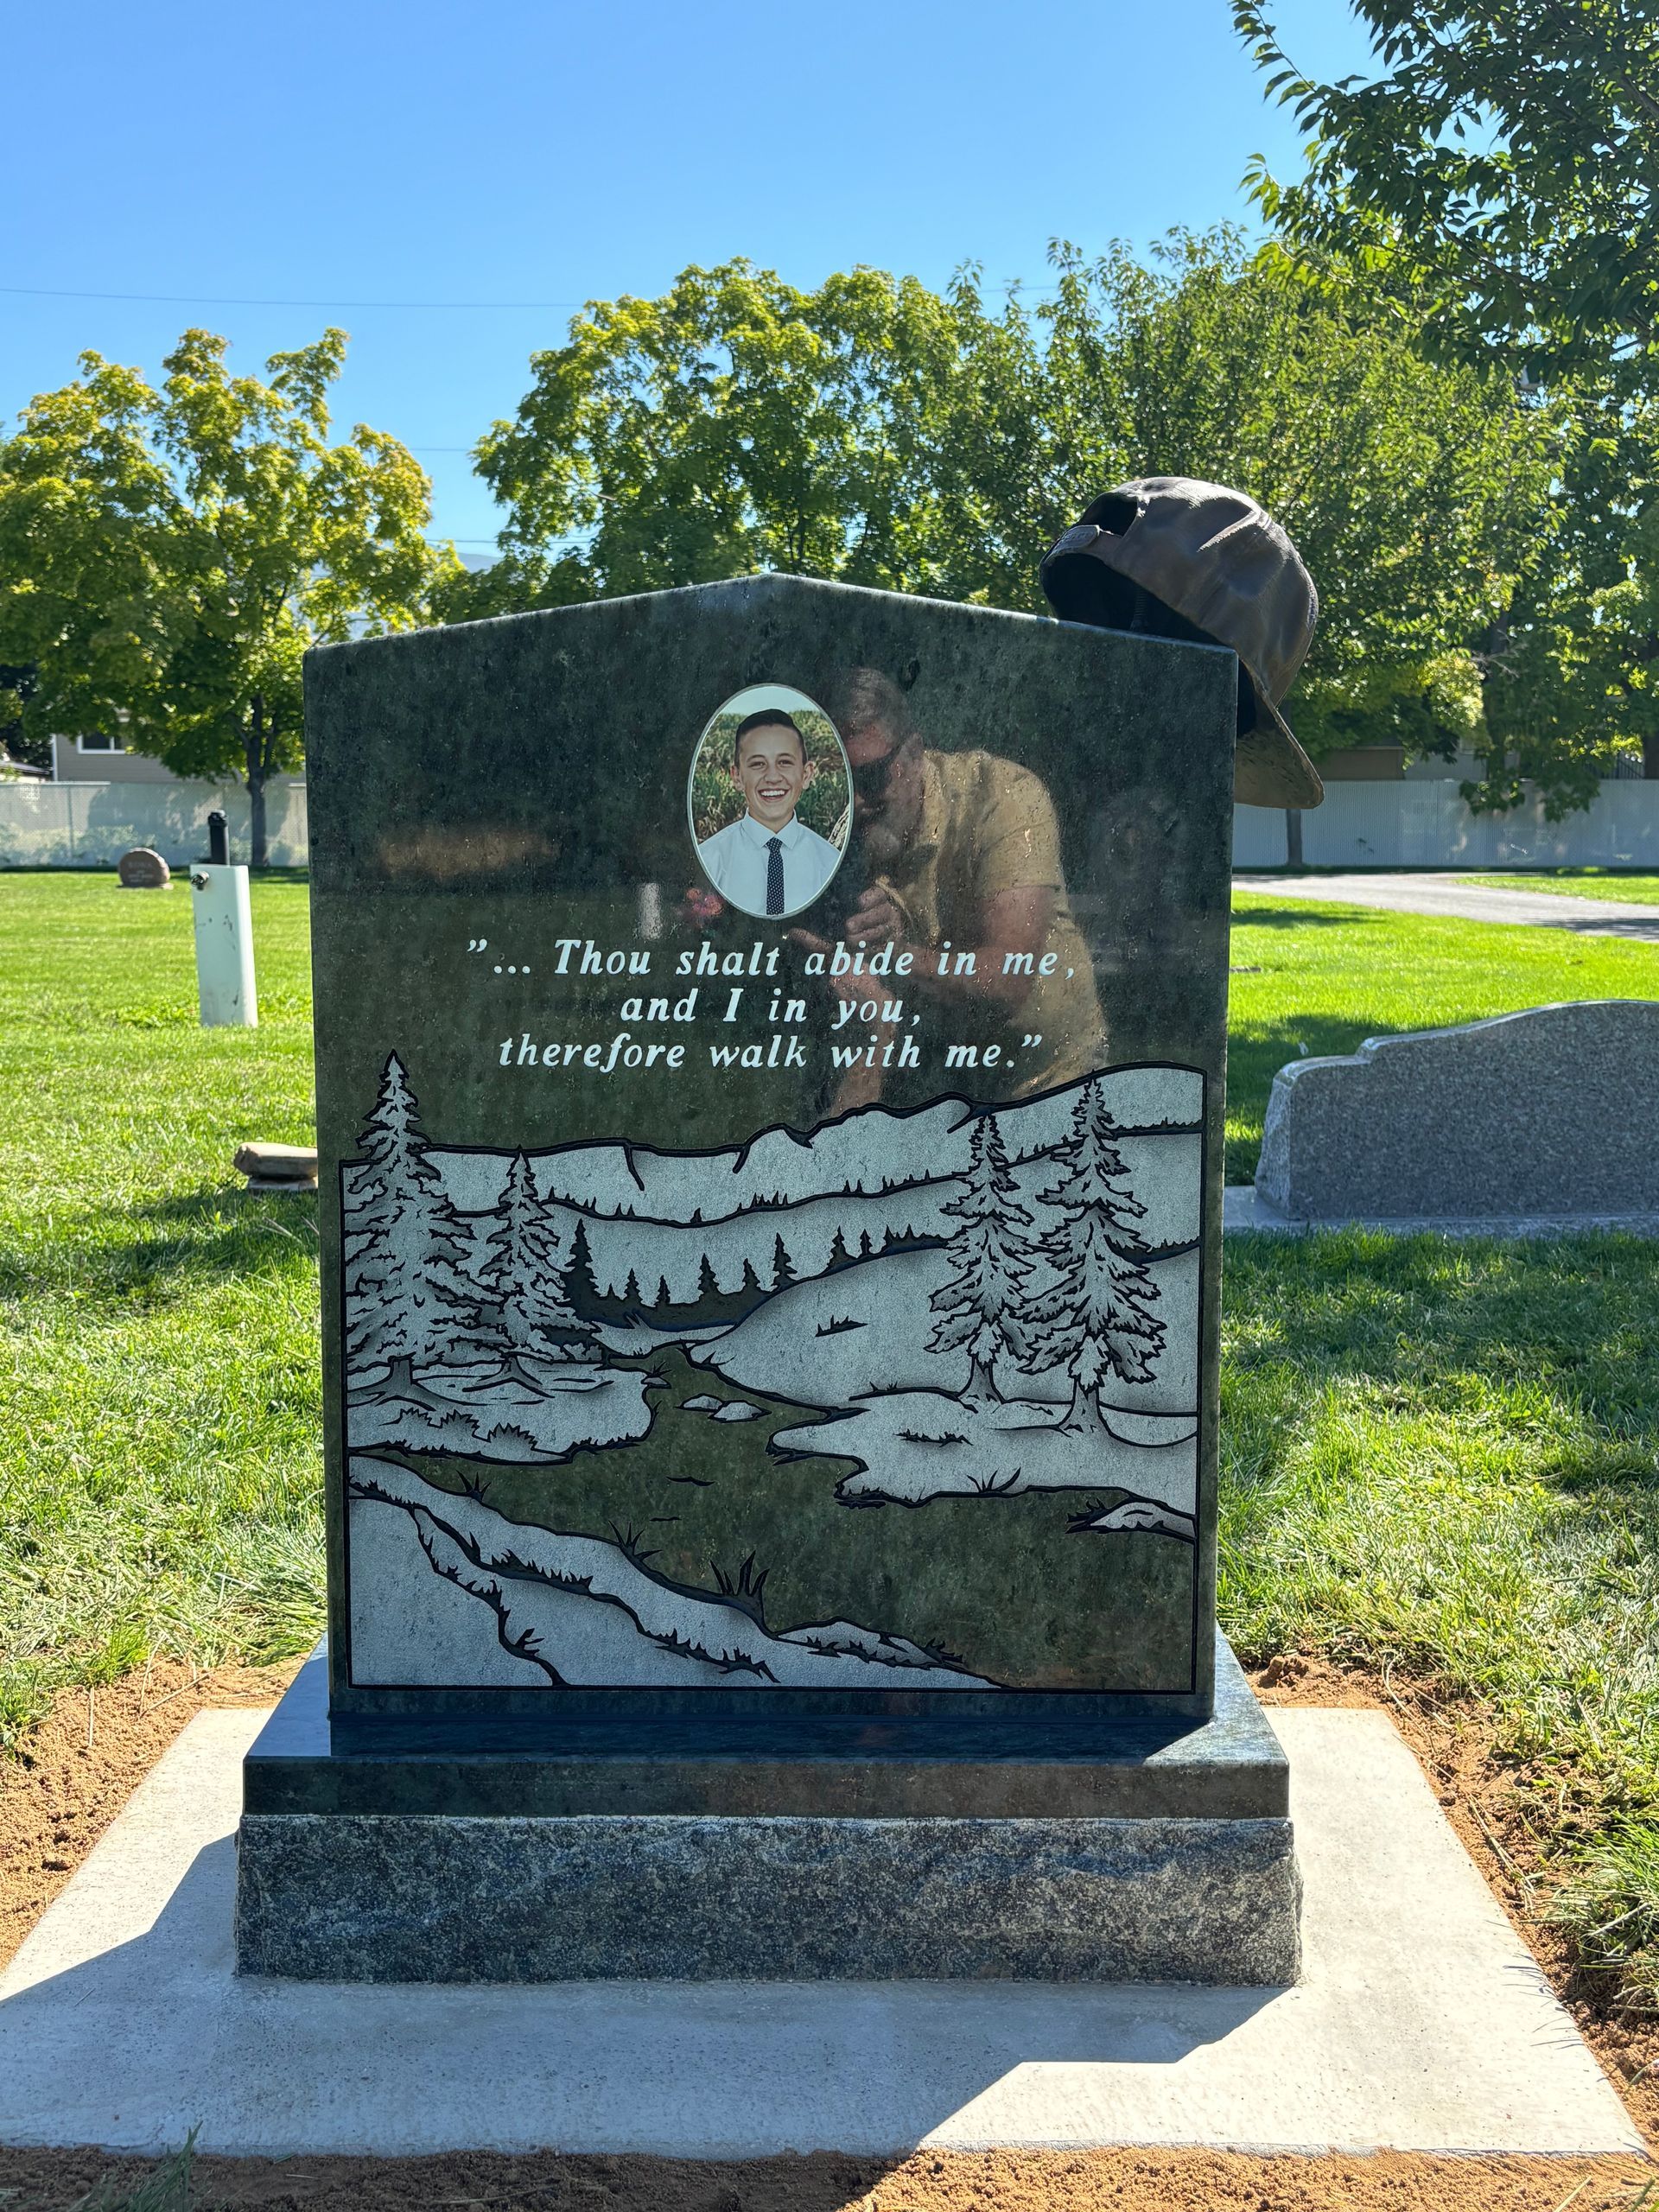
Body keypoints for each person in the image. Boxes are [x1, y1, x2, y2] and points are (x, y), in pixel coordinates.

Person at [806, 669, 1107, 1104]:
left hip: (1052, 1079)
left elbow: (1009, 978)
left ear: (913, 753)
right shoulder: (828, 825)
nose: (853, 803)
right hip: (939, 1082)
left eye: (870, 778)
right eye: (837, 784)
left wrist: (895, 956)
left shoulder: (1005, 798)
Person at [695, 709, 842, 919]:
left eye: (784, 762)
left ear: (807, 774)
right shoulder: (710, 861)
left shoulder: (829, 863)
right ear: (737, 777)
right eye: (757, 764)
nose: (773, 777)